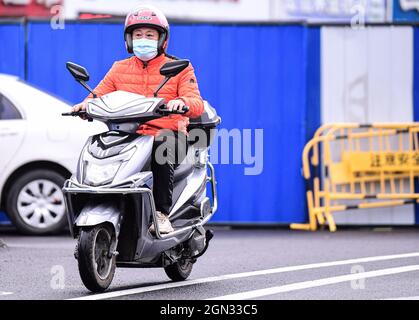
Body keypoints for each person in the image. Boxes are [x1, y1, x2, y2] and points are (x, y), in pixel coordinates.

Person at [71, 5, 204, 234]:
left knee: (162, 144)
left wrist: (180, 103)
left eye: (150, 35)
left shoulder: (179, 68)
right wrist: (85, 106)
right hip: (129, 135)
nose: (144, 40)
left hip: (168, 135)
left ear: (162, 39)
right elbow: (97, 96)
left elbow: (196, 102)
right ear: (129, 40)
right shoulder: (119, 69)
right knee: (97, 145)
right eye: (138, 35)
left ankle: (162, 214)